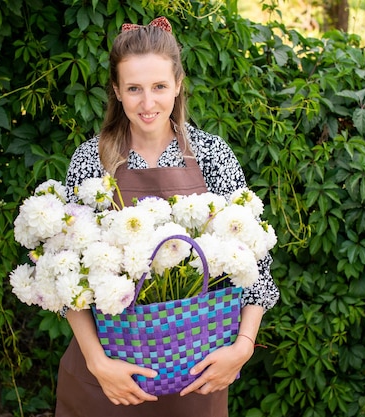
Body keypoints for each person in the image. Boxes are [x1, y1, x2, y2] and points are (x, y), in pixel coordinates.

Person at [54, 16, 279, 417]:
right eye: (134, 89)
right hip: (110, 378)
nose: (148, 103)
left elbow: (255, 262)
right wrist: (98, 363)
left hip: (196, 375)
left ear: (177, 84)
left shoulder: (211, 156)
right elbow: (66, 270)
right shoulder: (93, 160)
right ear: (117, 91)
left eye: (159, 87)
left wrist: (242, 347)